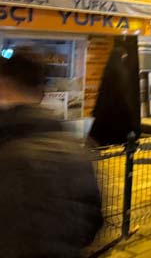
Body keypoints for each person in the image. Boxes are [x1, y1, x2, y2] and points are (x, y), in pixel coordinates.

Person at [0, 48, 103, 257]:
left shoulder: (7, 151)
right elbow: (92, 223)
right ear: (42, 92)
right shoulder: (76, 150)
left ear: (3, 86)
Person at [88, 46, 140, 146]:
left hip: (106, 106)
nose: (124, 59)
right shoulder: (121, 71)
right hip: (118, 105)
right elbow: (123, 90)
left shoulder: (108, 69)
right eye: (123, 57)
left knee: (104, 130)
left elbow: (102, 90)